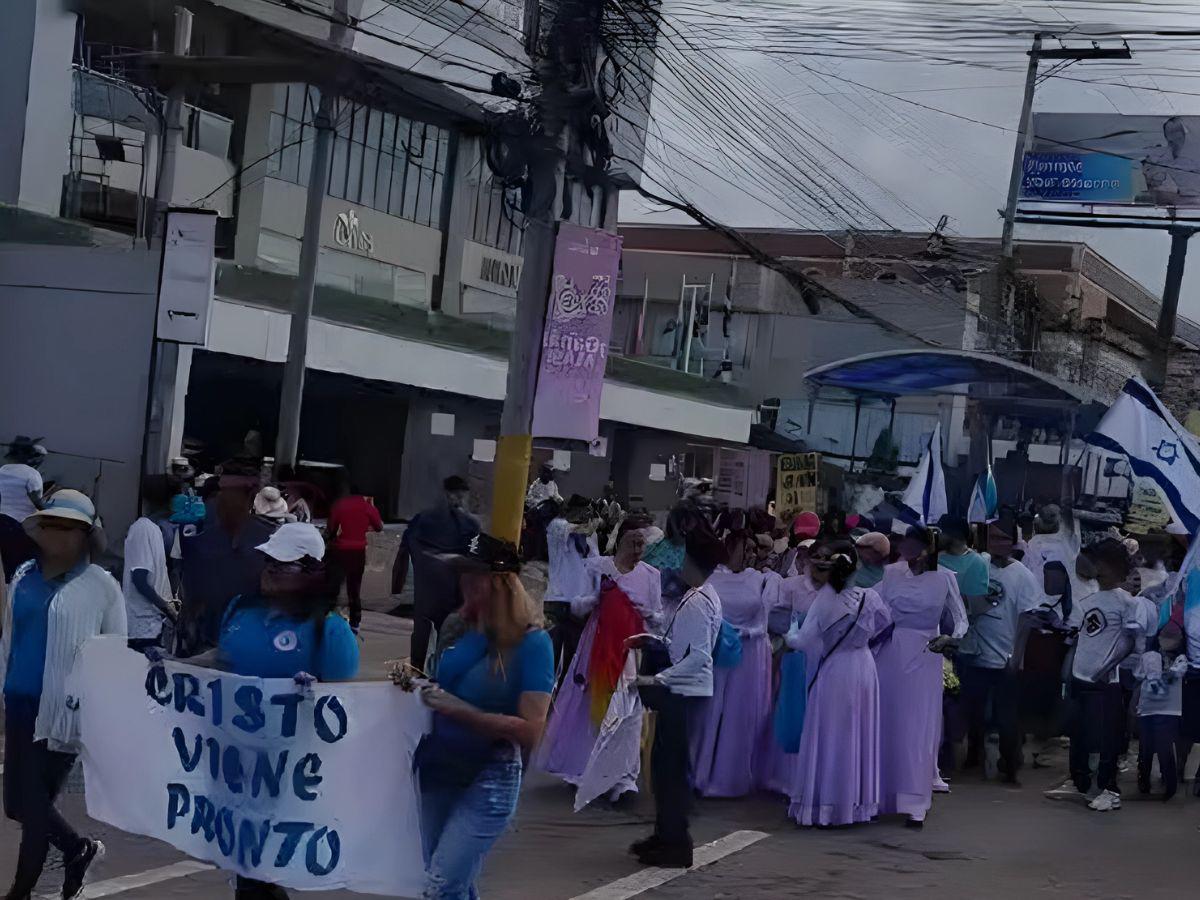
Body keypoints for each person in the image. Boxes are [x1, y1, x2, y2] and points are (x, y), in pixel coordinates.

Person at [216, 522, 359, 899]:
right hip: (234, 758)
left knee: (259, 865)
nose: (271, 571)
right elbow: (219, 663)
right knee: (247, 861)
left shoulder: (329, 631)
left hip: (290, 768)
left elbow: (343, 708)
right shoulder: (239, 610)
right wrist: (169, 666)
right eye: (269, 562)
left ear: (313, 573)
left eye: (283, 565)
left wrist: (314, 694)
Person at [410, 534, 553, 899]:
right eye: (462, 573)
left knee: (441, 885)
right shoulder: (460, 627)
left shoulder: (533, 644)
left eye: (476, 574)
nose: (465, 583)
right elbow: (440, 685)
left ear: (502, 581)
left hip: (489, 776)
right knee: (451, 881)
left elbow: (532, 731)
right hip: (438, 768)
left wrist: (462, 711)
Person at [0, 490, 126, 900]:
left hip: (63, 711)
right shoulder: (23, 577)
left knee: (35, 805)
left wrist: (99, 714)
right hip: (19, 703)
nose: (57, 534)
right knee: (17, 806)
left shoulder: (102, 587)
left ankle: (20, 891)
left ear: (86, 536)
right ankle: (77, 849)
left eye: (68, 527)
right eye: (51, 524)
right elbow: (10, 640)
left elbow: (114, 655)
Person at [535, 516, 661, 795]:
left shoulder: (652, 576)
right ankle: (586, 768)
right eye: (633, 542)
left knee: (626, 713)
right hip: (597, 648)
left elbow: (659, 618)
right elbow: (577, 606)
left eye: (642, 544)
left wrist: (647, 613)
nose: (638, 549)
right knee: (591, 708)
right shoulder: (597, 567)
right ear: (621, 540)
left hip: (630, 653)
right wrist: (595, 599)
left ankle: (623, 777)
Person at [630, 529, 726, 868]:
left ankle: (676, 841)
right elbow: (678, 639)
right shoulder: (698, 595)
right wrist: (653, 632)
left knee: (671, 769)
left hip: (682, 689)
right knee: (662, 764)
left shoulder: (699, 601)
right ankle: (665, 833)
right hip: (679, 686)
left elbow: (698, 655)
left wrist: (656, 677)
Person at [784, 541, 891, 827]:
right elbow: (885, 625)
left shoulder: (825, 599)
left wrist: (790, 631)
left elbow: (802, 641)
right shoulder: (871, 598)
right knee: (859, 731)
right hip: (864, 667)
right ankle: (856, 804)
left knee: (830, 733)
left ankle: (826, 803)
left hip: (835, 670)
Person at [876, 527, 967, 827]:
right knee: (890, 720)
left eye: (916, 545)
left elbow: (961, 620)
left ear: (929, 548)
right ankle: (883, 793)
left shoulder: (945, 578)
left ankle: (915, 800)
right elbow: (871, 605)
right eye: (906, 545)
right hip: (892, 652)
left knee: (918, 724)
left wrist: (951, 638)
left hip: (926, 651)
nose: (909, 551)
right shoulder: (891, 575)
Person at [1050, 539, 1143, 812]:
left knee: (1106, 739)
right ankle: (1080, 783)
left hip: (1105, 681)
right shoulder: (1088, 597)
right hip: (1080, 676)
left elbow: (1128, 642)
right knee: (1079, 733)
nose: (1097, 567)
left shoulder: (1127, 603)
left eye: (1102, 562)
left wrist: (1104, 669)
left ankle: (1109, 789)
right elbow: (1081, 637)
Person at [690, 530, 781, 797]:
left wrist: (747, 632)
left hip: (749, 652)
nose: (752, 554)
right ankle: (701, 771)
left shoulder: (760, 579)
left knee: (739, 713)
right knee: (709, 710)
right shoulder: (711, 577)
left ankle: (734, 772)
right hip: (716, 648)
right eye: (747, 548)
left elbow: (764, 620)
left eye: (755, 549)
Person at [956, 518, 1041, 783]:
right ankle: (974, 754)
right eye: (994, 538)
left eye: (1004, 538)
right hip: (974, 652)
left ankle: (1010, 761)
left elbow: (1027, 619)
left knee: (1007, 717)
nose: (999, 544)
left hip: (1006, 657)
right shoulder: (976, 565)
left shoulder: (1023, 576)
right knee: (974, 711)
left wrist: (1018, 655)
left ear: (1013, 541)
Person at [178, 473, 277, 654]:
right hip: (211, 638)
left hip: (248, 637)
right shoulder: (202, 542)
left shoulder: (267, 539)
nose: (225, 503)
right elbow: (191, 596)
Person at [393, 476, 481, 671]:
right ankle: (441, 675)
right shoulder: (469, 524)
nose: (458, 499)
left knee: (422, 633)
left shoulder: (423, 519)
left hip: (428, 590)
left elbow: (403, 551)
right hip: (454, 593)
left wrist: (397, 585)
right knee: (447, 635)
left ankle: (416, 673)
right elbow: (475, 561)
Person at [543, 496, 600, 677]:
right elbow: (581, 528)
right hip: (558, 602)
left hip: (581, 607)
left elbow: (595, 568)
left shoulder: (590, 539)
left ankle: (563, 700)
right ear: (570, 511)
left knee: (573, 660)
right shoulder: (557, 528)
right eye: (581, 512)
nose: (584, 516)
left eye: (587, 512)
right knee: (551, 657)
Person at [1135, 622, 1188, 801]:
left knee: (1162, 748)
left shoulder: (1181, 659)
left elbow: (1176, 673)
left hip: (1167, 710)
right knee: (1147, 748)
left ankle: (1169, 784)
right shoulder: (1151, 656)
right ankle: (1145, 781)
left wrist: (1156, 675)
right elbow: (1138, 674)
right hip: (1150, 709)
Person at [123, 496, 179, 653]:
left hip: (154, 625)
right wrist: (168, 609)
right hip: (143, 628)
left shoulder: (155, 531)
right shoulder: (143, 529)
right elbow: (140, 580)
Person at [327, 486, 384, 633]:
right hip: (357, 552)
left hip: (339, 551)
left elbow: (331, 528)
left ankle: (328, 617)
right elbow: (379, 526)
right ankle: (355, 623)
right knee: (354, 589)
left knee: (333, 586)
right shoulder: (366, 507)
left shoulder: (339, 505)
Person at [0, 436, 46, 582]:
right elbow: (37, 502)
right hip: (17, 526)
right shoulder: (31, 474)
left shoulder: (1, 470)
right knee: (18, 571)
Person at [936, 516, 989, 609]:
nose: (937, 536)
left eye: (940, 532)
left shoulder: (976, 562)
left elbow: (976, 602)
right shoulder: (937, 557)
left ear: (954, 535)